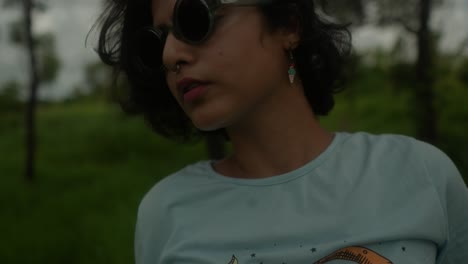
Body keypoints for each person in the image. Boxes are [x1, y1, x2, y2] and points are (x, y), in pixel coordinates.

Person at [93, 0, 468, 263]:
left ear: (288, 23)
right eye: (155, 42)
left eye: (194, 18)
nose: (171, 55)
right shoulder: (165, 213)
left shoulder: (421, 175)